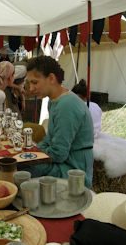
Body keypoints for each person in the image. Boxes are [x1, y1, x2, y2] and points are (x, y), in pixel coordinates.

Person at [26, 56, 94, 188]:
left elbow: (58, 153)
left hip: (74, 171)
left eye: (34, 82)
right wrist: (33, 151)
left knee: (26, 169)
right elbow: (50, 138)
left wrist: (32, 156)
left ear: (51, 78)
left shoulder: (66, 105)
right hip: (66, 161)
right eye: (29, 83)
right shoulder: (54, 101)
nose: (31, 89)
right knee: (25, 162)